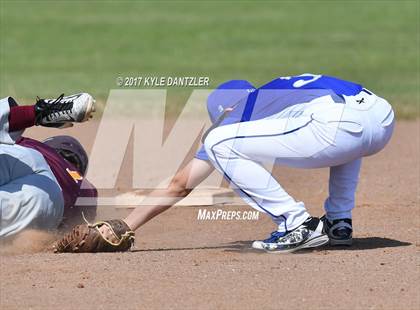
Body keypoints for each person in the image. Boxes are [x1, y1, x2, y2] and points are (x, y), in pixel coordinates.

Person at [66, 73, 395, 254]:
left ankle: (297, 224)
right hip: (381, 117)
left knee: (218, 143)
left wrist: (127, 225)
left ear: (225, 112)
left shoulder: (239, 111)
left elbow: (181, 184)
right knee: (347, 141)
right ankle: (339, 222)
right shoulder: (274, 94)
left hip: (336, 123)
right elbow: (351, 130)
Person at [0, 93, 97, 237]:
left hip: (19, 155)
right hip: (49, 193)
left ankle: (39, 111)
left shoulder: (29, 143)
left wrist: (32, 114)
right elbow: (82, 224)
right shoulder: (84, 188)